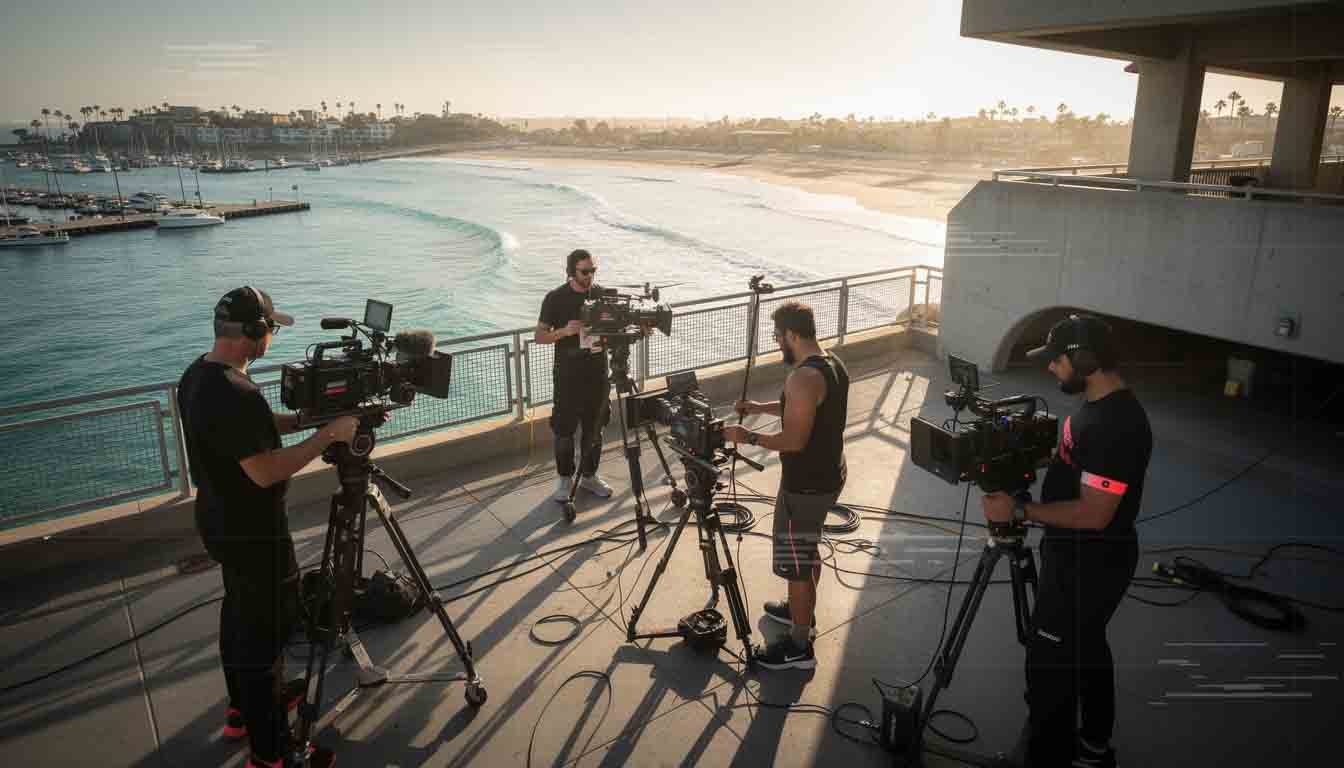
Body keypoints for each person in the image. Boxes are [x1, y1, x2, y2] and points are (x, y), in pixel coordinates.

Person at [178, 286, 357, 768]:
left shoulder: (198, 376)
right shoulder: (237, 393)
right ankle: (273, 753)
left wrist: (301, 420)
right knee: (266, 639)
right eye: (271, 329)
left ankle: (241, 712)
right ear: (254, 333)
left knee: (238, 617)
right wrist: (327, 436)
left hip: (218, 521)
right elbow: (263, 470)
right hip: (255, 533)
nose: (273, 337)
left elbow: (246, 432)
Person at [981, 314, 1152, 768]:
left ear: (1086, 360)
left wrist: (1019, 511)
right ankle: (1093, 748)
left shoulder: (1116, 424)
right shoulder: (1095, 406)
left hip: (1087, 563)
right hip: (1084, 557)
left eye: (1057, 360)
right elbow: (1080, 471)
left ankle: (1043, 757)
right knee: (1087, 649)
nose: (1050, 368)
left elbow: (1095, 513)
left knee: (1050, 666)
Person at [725, 301, 849, 671]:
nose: (777, 342)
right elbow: (803, 409)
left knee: (796, 563)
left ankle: (799, 645)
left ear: (792, 335)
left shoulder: (801, 377)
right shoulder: (832, 365)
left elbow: (794, 439)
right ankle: (801, 614)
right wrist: (760, 408)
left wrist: (747, 436)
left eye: (778, 336)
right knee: (807, 551)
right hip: (829, 475)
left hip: (805, 486)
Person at [534, 249, 614, 502]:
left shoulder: (601, 294)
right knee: (564, 430)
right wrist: (565, 332)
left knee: (596, 429)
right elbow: (539, 337)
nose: (590, 276)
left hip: (598, 372)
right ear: (572, 271)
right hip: (568, 376)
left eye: (593, 270)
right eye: (585, 271)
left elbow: (614, 326)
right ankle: (564, 480)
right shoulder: (555, 298)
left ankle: (589, 477)